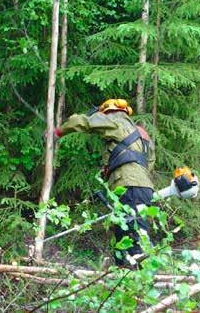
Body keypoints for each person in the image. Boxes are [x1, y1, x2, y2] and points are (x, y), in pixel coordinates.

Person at [55, 99, 156, 266]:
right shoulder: (142, 133)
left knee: (132, 240)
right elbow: (149, 162)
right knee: (134, 233)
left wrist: (57, 132)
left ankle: (136, 277)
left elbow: (82, 122)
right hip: (145, 189)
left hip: (127, 187)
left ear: (109, 111)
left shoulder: (114, 120)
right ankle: (130, 278)